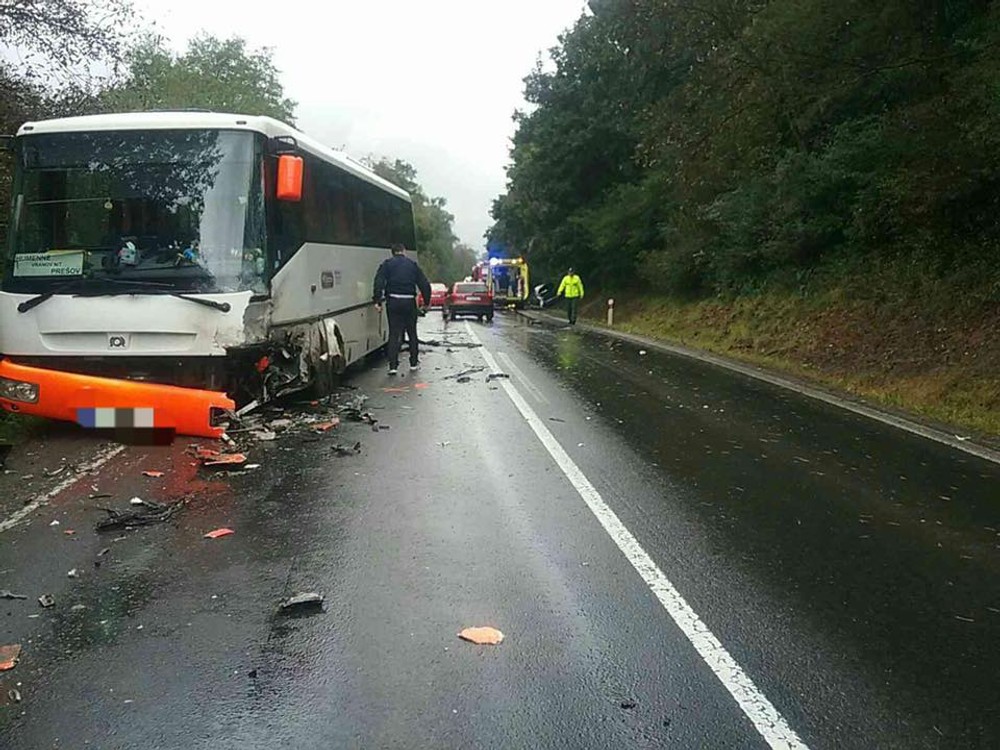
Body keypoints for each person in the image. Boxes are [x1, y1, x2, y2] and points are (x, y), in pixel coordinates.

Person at [373, 243, 432, 375]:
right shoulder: (412, 265)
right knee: (412, 333)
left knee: (394, 333)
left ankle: (393, 366)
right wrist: (426, 302)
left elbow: (379, 281)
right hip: (409, 301)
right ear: (404, 251)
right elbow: (424, 284)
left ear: (392, 252)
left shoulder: (387, 264)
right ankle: (413, 363)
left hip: (393, 301)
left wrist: (377, 300)